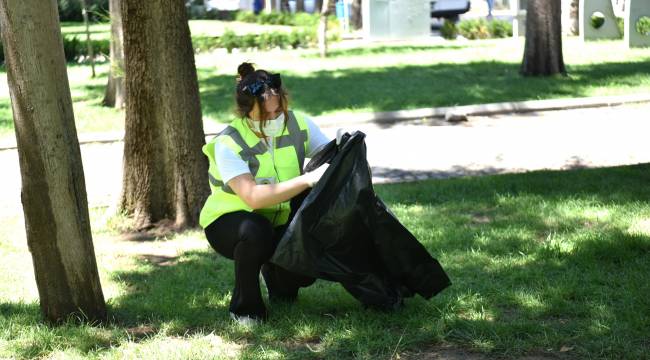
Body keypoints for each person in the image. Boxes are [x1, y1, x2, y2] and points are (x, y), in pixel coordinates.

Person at [200, 62, 332, 325]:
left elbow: (329, 156)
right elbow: (253, 197)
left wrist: (341, 150)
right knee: (255, 232)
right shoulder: (229, 142)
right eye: (266, 116)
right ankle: (245, 308)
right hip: (231, 222)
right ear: (247, 111)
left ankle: (275, 275)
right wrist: (306, 181)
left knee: (303, 271)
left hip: (278, 218)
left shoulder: (299, 124)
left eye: (278, 111)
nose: (275, 120)